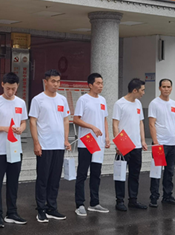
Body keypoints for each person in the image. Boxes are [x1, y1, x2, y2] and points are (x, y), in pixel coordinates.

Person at [0, 72, 29, 228]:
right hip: (0, 150)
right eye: (8, 88)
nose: (10, 92)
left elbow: (24, 122)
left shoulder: (21, 103)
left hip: (16, 148)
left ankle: (12, 212)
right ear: (2, 85)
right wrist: (4, 128)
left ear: (17, 87)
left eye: (13, 89)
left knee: (13, 182)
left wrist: (21, 129)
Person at [29, 69, 71, 223]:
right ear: (45, 82)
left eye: (58, 81)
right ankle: (41, 209)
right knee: (43, 178)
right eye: (53, 81)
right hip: (44, 145)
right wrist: (36, 143)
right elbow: (32, 121)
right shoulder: (38, 100)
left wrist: (65, 139)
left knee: (55, 179)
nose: (56, 84)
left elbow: (66, 119)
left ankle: (52, 208)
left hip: (58, 145)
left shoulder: (62, 99)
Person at [73, 73, 111, 216]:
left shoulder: (102, 100)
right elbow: (76, 119)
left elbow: (104, 119)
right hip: (87, 141)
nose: (101, 86)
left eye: (102, 83)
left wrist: (107, 137)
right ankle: (80, 204)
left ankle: (94, 203)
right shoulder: (83, 100)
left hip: (99, 143)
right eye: (98, 83)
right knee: (82, 173)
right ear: (90, 85)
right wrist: (92, 127)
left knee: (96, 173)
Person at [148, 78, 175, 207]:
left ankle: (167, 196)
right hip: (160, 143)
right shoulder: (154, 103)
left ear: (171, 88)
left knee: (170, 171)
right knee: (156, 171)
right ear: (159, 88)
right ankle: (154, 197)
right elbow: (151, 124)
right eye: (164, 87)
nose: (166, 89)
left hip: (172, 143)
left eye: (168, 87)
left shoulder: (174, 104)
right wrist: (155, 142)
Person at [113, 78, 148, 211]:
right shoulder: (119, 104)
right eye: (142, 90)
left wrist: (143, 140)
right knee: (121, 173)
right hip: (124, 144)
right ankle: (119, 201)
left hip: (136, 145)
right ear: (135, 90)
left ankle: (133, 199)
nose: (143, 93)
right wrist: (118, 143)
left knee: (135, 174)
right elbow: (115, 124)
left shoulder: (138, 103)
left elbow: (140, 123)